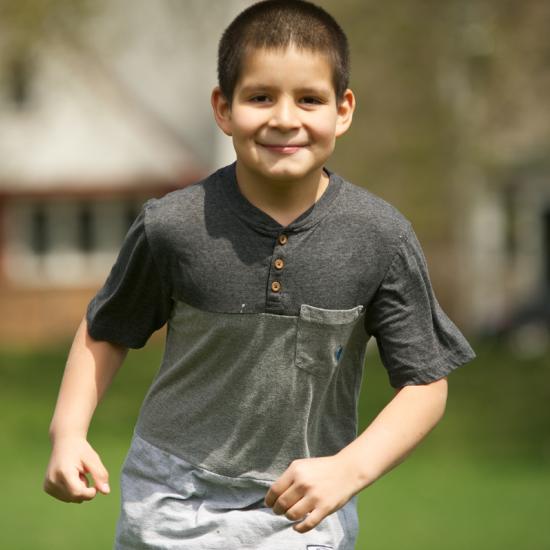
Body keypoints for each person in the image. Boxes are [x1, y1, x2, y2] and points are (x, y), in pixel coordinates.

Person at [43, 1, 475, 548]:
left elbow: (425, 384)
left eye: (309, 99)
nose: (284, 118)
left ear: (343, 110)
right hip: (171, 504)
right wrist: (68, 433)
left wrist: (348, 469)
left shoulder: (380, 237)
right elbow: (106, 331)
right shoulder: (174, 224)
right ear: (223, 109)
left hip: (304, 509)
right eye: (261, 97)